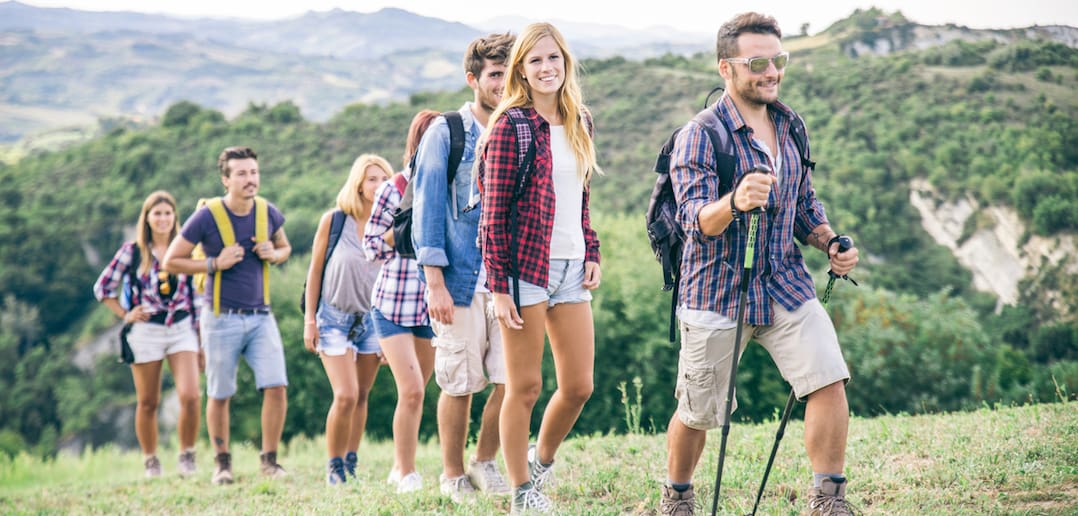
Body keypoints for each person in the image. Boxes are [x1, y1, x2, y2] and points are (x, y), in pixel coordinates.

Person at [660, 12, 860, 516]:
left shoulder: (791, 124)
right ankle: (677, 496)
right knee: (700, 411)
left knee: (828, 379)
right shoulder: (700, 135)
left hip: (786, 282)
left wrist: (828, 240)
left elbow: (804, 204)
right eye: (757, 63)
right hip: (716, 292)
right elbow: (693, 221)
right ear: (726, 68)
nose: (771, 71)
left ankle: (827, 498)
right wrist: (735, 201)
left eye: (778, 60)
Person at [478, 22, 602, 514]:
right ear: (521, 72)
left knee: (578, 386)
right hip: (524, 267)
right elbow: (493, 214)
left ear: (565, 61)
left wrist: (590, 247)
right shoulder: (511, 126)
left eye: (554, 58)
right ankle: (521, 492)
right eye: (536, 61)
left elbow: (582, 197)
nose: (547, 68)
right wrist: (499, 287)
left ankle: (540, 462)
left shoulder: (581, 120)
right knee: (524, 386)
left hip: (572, 265)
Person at [412, 32, 516, 502]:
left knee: (512, 378)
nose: (502, 83)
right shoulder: (448, 132)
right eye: (494, 75)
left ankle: (485, 460)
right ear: (473, 78)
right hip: (458, 278)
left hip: (510, 279)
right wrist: (434, 281)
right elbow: (427, 207)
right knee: (458, 381)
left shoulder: (520, 126)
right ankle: (452, 474)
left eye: (508, 74)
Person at [163, 146, 292, 485]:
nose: (251, 179)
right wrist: (213, 263)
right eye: (242, 174)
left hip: (262, 316)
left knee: (276, 386)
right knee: (220, 393)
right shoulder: (207, 216)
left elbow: (285, 248)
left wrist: (274, 254)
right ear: (226, 179)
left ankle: (269, 461)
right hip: (220, 318)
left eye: (254, 172)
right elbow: (171, 261)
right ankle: (222, 464)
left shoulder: (267, 212)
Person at [93, 190, 202, 479]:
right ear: (148, 218)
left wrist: (201, 338)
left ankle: (187, 454)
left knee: (190, 395)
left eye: (168, 213)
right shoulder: (133, 251)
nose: (163, 219)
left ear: (175, 217)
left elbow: (198, 295)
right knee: (148, 401)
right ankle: (151, 459)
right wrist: (125, 314)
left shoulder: (186, 248)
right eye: (158, 213)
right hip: (146, 329)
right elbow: (103, 288)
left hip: (182, 327)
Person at [303, 154, 390, 485]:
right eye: (372, 179)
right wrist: (310, 319)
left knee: (363, 395)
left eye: (384, 178)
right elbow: (315, 271)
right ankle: (334, 465)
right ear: (358, 184)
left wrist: (389, 332)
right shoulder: (335, 220)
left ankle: (351, 462)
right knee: (346, 395)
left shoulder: (391, 224)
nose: (379, 184)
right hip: (333, 319)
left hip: (373, 321)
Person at [362, 123, 438, 494]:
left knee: (418, 391)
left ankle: (397, 465)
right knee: (411, 391)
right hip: (393, 303)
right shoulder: (394, 188)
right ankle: (406, 473)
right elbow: (371, 247)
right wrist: (404, 225)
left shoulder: (449, 185)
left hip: (431, 306)